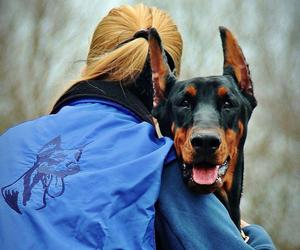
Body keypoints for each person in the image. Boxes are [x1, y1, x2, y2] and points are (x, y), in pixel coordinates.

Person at [0, 4, 275, 250]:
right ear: (163, 84)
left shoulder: (8, 144)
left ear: (93, 61)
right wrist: (250, 233)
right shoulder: (159, 162)